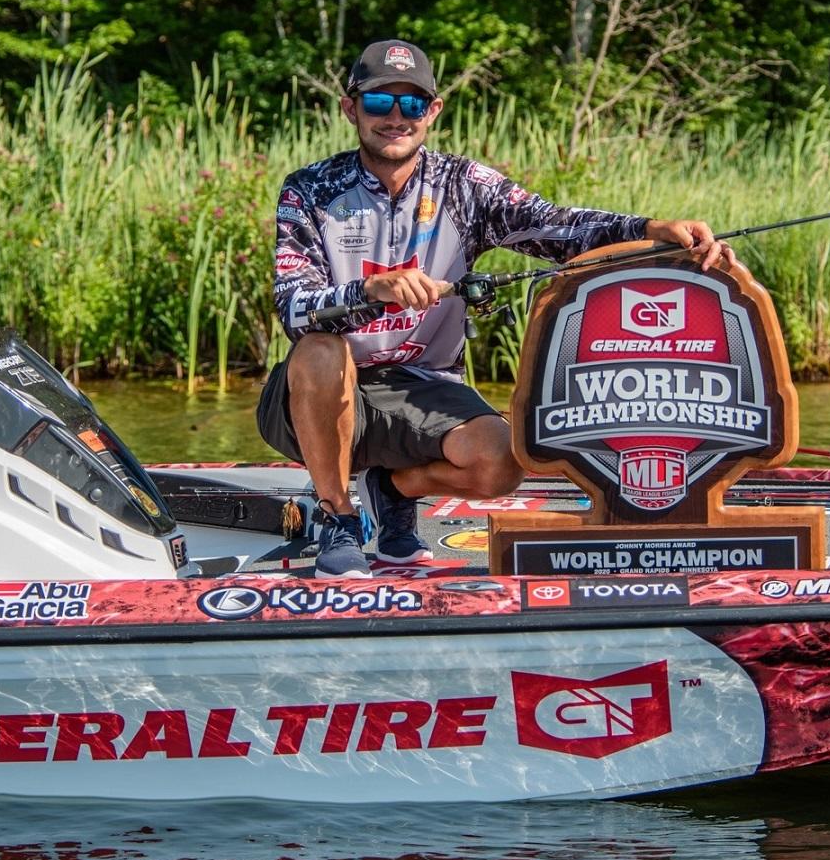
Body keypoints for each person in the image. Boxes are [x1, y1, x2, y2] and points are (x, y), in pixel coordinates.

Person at [259, 38, 728, 577]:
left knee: (503, 462)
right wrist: (372, 291)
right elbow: (294, 307)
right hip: (318, 389)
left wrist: (650, 231)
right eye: (379, 102)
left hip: (420, 382)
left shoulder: (464, 185)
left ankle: (391, 490)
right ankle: (338, 516)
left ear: (433, 110)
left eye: (413, 103)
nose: (396, 117)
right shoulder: (309, 189)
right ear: (351, 108)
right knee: (319, 348)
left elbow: (558, 225)